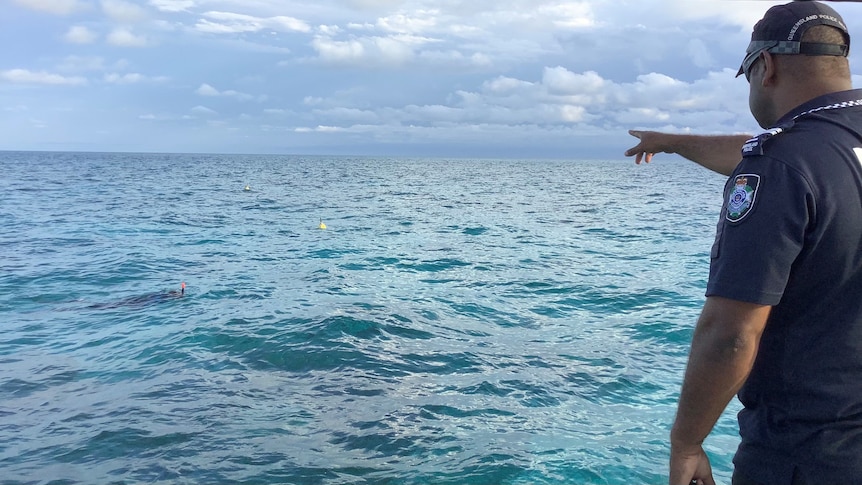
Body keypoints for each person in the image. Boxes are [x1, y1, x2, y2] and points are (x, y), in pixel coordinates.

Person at [626, 2, 862, 485]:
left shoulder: (779, 166)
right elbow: (786, 154)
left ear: (765, 67)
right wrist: (671, 142)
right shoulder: (820, 149)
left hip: (812, 453)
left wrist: (687, 443)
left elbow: (731, 333)